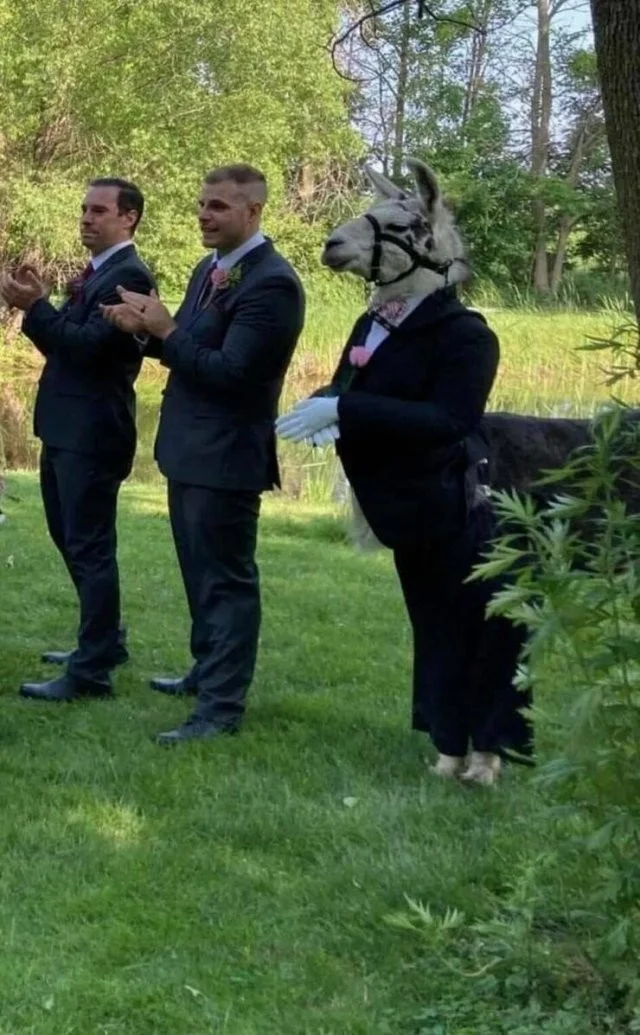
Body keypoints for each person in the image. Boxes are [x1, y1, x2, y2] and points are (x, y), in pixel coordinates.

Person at [276, 158, 531, 786]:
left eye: (387, 230)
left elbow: (450, 419)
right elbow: (350, 385)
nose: (346, 238)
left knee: (484, 623)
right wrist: (326, 405)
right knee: (433, 622)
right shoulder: (374, 323)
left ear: (425, 242)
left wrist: (348, 409)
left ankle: (489, 751)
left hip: (460, 502)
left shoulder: (465, 335)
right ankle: (447, 743)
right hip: (405, 503)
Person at [102, 164, 305, 744]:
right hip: (189, 448)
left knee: (226, 582)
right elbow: (189, 347)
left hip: (227, 453)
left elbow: (233, 373)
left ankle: (220, 708)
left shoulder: (272, 284)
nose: (204, 215)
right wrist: (142, 329)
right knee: (199, 572)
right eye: (201, 204)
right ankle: (204, 670)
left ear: (253, 211)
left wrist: (166, 331)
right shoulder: (209, 269)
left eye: (218, 206)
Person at [0, 178, 155, 702]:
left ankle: (91, 671)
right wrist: (38, 308)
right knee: (70, 537)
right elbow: (65, 347)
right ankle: (104, 642)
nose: (86, 218)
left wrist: (36, 307)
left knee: (89, 546)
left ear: (128, 218)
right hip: (67, 427)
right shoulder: (97, 272)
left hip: (93, 432)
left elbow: (87, 349)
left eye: (99, 211)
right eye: (84, 209)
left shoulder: (128, 275)